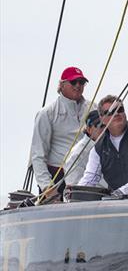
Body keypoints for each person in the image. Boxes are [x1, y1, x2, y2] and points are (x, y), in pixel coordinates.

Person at [28, 66, 91, 196]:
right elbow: (37, 154)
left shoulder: (92, 108)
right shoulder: (47, 113)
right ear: (62, 85)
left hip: (86, 175)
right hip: (57, 178)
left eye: (82, 82)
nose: (78, 85)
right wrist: (47, 187)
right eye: (73, 82)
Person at [63, 110, 105, 187]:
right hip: (90, 198)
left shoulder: (110, 148)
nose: (105, 129)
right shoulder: (77, 154)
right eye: (100, 125)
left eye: (108, 125)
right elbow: (74, 189)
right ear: (89, 129)